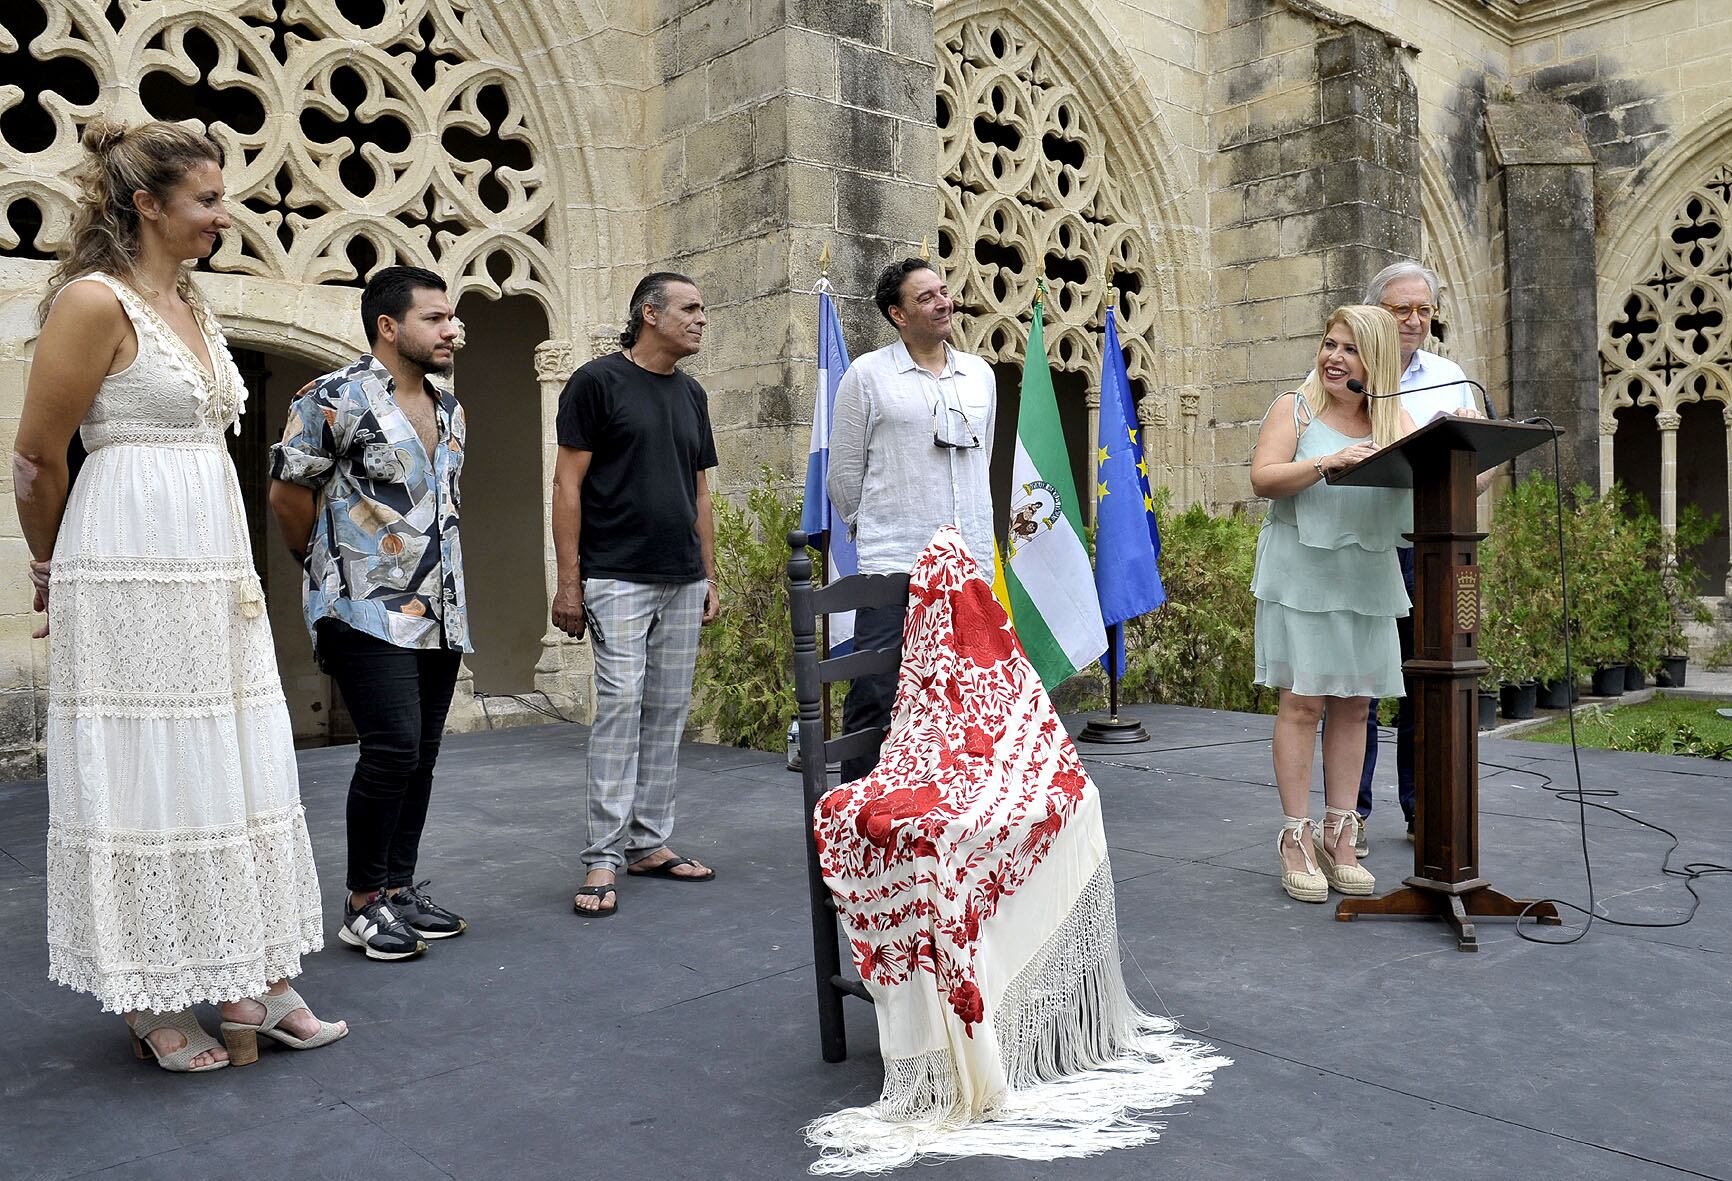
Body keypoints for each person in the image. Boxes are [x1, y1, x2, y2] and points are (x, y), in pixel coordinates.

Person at [19, 119, 343, 1070]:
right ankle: (153, 995)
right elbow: (38, 459)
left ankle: (255, 973)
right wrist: (49, 570)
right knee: (145, 762)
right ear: (146, 205)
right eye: (204, 199)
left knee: (231, 754)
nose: (222, 213)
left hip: (209, 560)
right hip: (125, 560)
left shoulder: (193, 303)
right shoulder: (92, 301)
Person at [269, 266, 469, 961]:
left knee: (422, 755)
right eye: (435, 319)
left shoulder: (450, 409)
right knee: (390, 749)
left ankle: (399, 886)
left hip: (441, 609)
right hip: (362, 606)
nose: (451, 330)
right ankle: (362, 903)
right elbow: (288, 495)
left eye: (453, 318)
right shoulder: (331, 398)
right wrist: (325, 568)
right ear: (389, 326)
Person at [551, 273, 720, 918]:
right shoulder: (597, 382)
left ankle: (649, 841)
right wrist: (569, 581)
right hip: (615, 574)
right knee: (621, 704)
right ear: (649, 313)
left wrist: (708, 574)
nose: (701, 319)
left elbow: (699, 491)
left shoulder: (693, 394)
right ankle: (602, 853)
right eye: (690, 308)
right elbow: (568, 485)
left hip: (682, 577)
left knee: (669, 708)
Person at [1250, 305, 1417, 903]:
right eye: (1329, 343)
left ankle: (1340, 835)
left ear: (1374, 362)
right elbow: (1263, 478)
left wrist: (1473, 444)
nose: (1333, 357)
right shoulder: (1292, 408)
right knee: (1302, 704)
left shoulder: (1397, 423)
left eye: (1348, 348)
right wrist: (1328, 462)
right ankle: (1296, 839)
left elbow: (1450, 482)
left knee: (1355, 706)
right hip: (1304, 572)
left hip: (1366, 573)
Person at [825, 258, 996, 782]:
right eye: (925, 297)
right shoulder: (867, 375)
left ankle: (949, 817)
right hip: (894, 562)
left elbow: (982, 459)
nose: (943, 302)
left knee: (965, 697)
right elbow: (844, 475)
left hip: (969, 566)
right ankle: (856, 821)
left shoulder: (980, 375)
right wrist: (880, 529)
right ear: (898, 314)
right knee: (877, 694)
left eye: (943, 292)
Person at [1355, 261, 1486, 851]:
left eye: (1422, 310)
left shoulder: (1451, 377)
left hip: (1427, 549)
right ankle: (1348, 814)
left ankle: (1421, 808)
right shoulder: (1349, 370)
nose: (1412, 320)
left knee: (1423, 681)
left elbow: (1476, 476)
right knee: (1357, 685)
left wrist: (1469, 461)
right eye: (1398, 309)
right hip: (1361, 544)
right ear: (1376, 311)